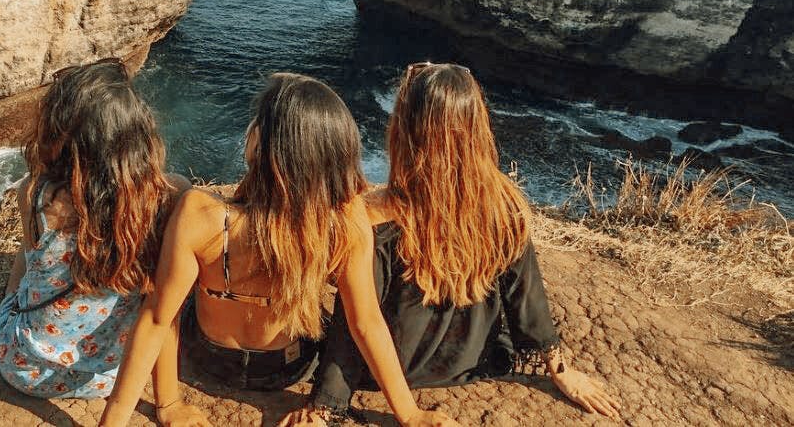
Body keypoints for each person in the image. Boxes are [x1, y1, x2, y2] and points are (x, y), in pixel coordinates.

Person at [99, 73, 460, 427]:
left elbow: (159, 319)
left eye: (258, 121)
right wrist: (410, 414)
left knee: (168, 295)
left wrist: (166, 406)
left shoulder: (198, 212)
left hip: (209, 360)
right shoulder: (345, 221)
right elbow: (366, 324)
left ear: (264, 144)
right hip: (287, 368)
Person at [290, 62, 621, 422]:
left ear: (405, 129)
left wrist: (325, 405)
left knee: (350, 294)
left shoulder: (371, 216)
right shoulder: (503, 204)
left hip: (393, 367)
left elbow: (357, 322)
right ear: (476, 128)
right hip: (474, 359)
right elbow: (526, 297)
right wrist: (560, 370)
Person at [0, 58, 205, 426]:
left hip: (22, 367)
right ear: (137, 135)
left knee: (29, 267)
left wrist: (11, 303)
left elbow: (29, 264)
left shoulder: (36, 194)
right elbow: (161, 310)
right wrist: (168, 403)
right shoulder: (171, 198)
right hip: (109, 373)